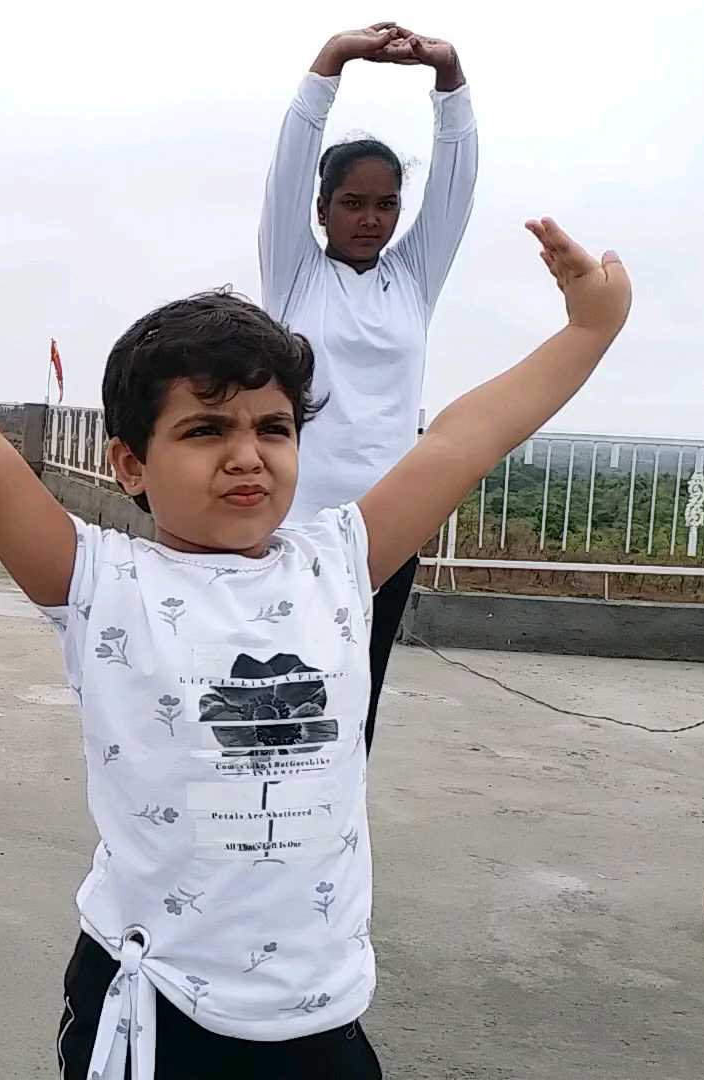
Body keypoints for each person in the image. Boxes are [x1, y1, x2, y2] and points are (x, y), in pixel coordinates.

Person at [0, 173, 628, 1077]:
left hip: (326, 1016)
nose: (247, 455)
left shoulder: (341, 563)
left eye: (273, 428)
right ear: (129, 462)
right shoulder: (98, 580)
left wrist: (587, 332)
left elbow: (463, 440)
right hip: (157, 1010)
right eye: (205, 430)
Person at [260, 24, 478, 753]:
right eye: (352, 203)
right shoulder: (296, 274)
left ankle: (336, 834)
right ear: (321, 208)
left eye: (385, 205)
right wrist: (331, 60)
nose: (370, 218)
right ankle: (266, 830)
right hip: (296, 520)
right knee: (284, 685)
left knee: (360, 690)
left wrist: (449, 76)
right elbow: (291, 158)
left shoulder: (412, 280)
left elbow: (456, 179)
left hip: (388, 525)